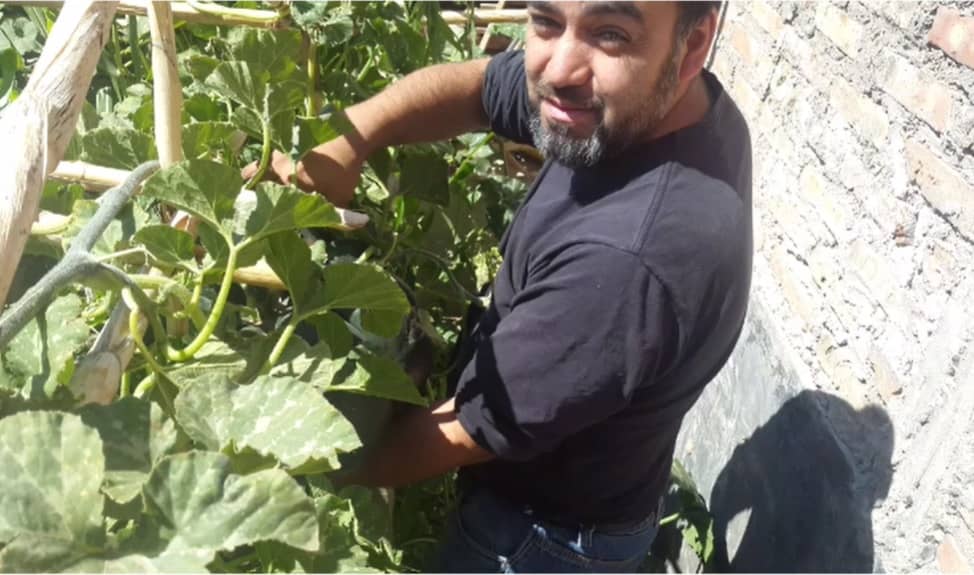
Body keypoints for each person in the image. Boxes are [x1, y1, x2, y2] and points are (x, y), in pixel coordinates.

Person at [246, 1, 751, 571]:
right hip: (586, 474)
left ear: (693, 44)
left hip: (543, 541)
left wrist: (295, 469)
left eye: (611, 34)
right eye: (546, 21)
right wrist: (350, 139)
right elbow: (484, 89)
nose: (560, 68)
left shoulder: (628, 262)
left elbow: (468, 430)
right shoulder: (658, 106)